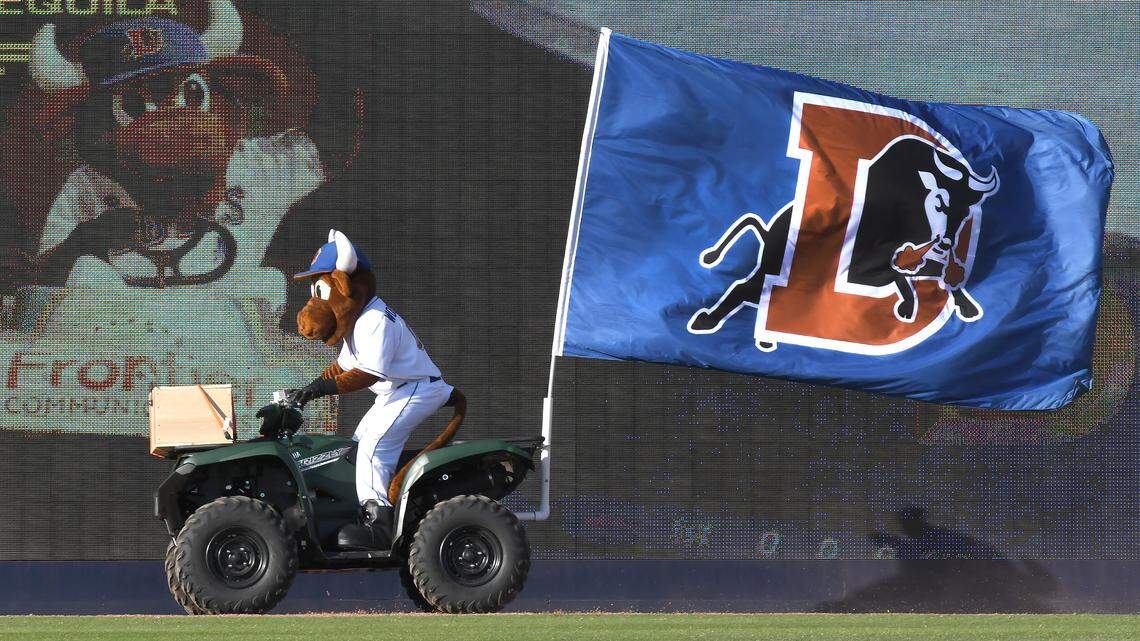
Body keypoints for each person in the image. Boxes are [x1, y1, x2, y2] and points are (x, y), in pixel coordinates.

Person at [289, 230, 460, 549]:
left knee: (374, 445)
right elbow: (342, 367)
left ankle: (379, 525)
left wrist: (320, 389)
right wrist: (310, 387)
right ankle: (362, 510)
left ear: (346, 284)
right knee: (356, 446)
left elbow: (366, 375)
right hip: (398, 391)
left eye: (322, 288)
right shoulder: (359, 320)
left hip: (418, 389)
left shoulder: (375, 319)